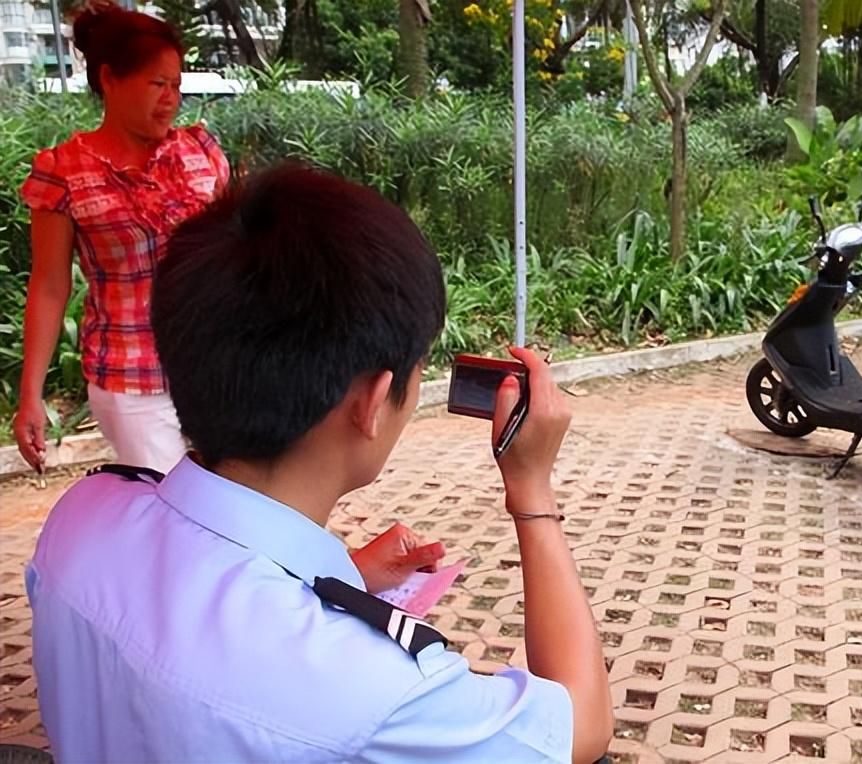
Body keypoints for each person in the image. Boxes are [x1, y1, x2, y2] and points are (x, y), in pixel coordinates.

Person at [25, 164, 615, 763]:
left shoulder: (83, 517)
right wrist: (532, 492)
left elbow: (198, 606)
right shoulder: (376, 689)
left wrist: (349, 575)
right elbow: (582, 726)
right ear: (370, 402)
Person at [14, 2, 230, 474]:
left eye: (176, 85)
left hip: (215, 366)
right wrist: (30, 395)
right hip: (131, 379)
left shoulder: (200, 152)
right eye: (157, 83)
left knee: (233, 504)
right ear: (110, 79)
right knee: (177, 507)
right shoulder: (63, 171)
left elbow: (236, 255)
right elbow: (50, 286)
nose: (171, 98)